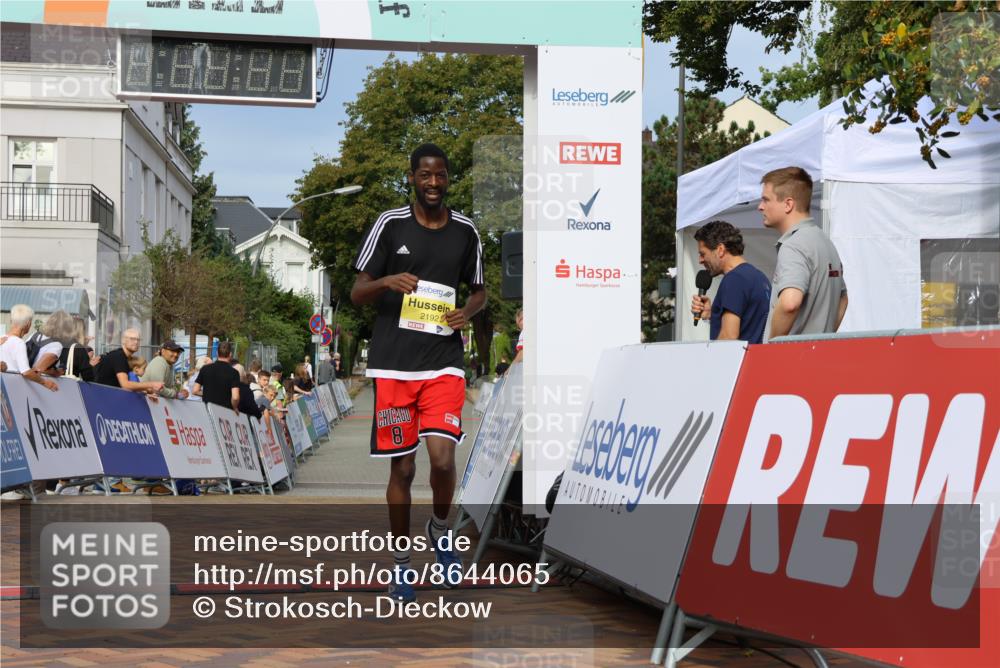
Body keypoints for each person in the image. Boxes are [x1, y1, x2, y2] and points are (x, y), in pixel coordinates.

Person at [350, 142, 486, 602]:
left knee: (444, 459)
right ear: (412, 177)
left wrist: (467, 310)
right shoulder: (390, 225)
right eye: (425, 175)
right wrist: (387, 280)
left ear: (448, 179)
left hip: (444, 362)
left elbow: (480, 291)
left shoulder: (466, 231)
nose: (433, 183)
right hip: (394, 365)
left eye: (441, 175)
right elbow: (356, 292)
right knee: (404, 470)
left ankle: (440, 528)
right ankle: (401, 566)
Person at [759, 166, 848, 340]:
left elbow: (790, 303)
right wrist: (820, 339)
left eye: (766, 200)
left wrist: (772, 347)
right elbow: (843, 299)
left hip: (790, 360)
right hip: (816, 356)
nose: (760, 207)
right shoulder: (824, 241)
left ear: (788, 204)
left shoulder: (794, 245)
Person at [690, 221, 772, 344]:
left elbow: (729, 337)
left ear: (720, 250)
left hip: (739, 362)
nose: (700, 260)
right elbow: (749, 325)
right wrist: (712, 315)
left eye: (703, 254)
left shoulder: (734, 279)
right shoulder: (760, 278)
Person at [0, 304, 57, 391]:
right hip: (12, 389)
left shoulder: (1, 339)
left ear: (11, 320)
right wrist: (45, 383)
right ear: (28, 324)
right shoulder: (19, 343)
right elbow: (25, 372)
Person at [93, 329, 163, 395]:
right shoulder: (119, 356)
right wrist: (151, 384)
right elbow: (125, 385)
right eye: (132, 339)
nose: (136, 342)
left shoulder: (124, 357)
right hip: (103, 397)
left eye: (138, 340)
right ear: (123, 341)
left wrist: (148, 392)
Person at [193, 341, 240, 412]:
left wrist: (209, 393)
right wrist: (235, 407)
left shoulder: (205, 369)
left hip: (207, 410)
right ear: (230, 354)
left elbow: (195, 390)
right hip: (225, 412)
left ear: (217, 353)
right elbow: (235, 397)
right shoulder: (234, 373)